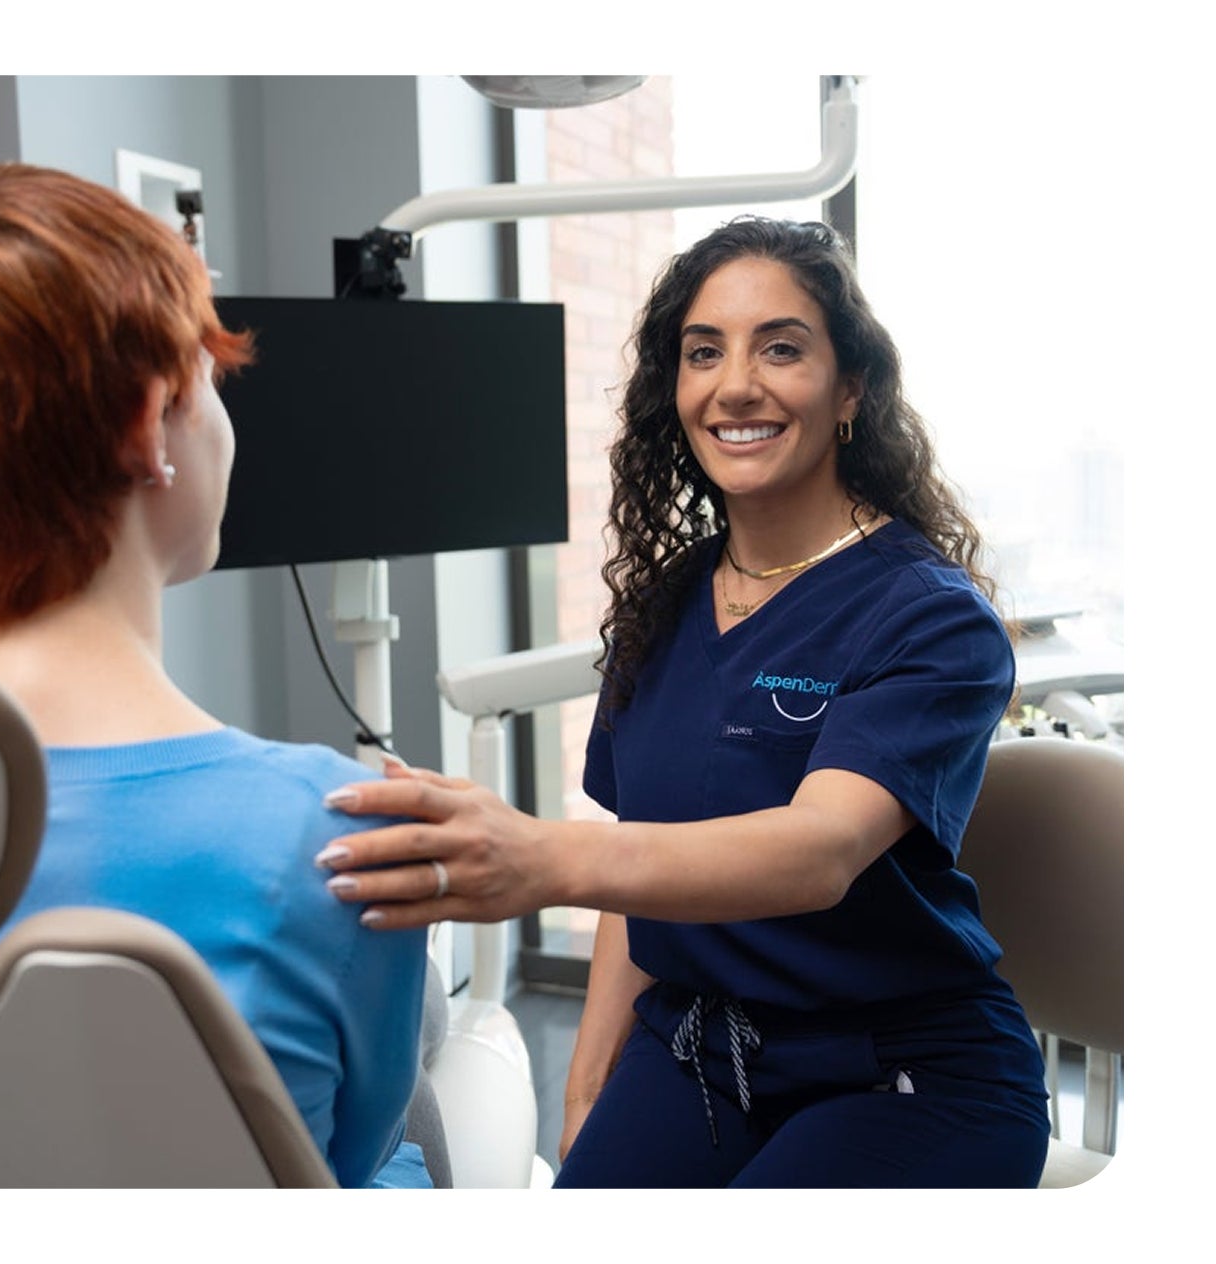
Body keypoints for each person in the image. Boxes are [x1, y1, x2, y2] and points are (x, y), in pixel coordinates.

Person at [315, 216, 1052, 1187]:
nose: (735, 384)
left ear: (851, 390)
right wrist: (585, 1090)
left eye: (780, 348)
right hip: (701, 1050)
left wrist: (542, 856)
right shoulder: (666, 604)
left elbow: (818, 852)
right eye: (704, 352)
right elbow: (639, 854)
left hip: (903, 1069)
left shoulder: (927, 617)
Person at [0, 162, 435, 1189]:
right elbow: (343, 1167)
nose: (225, 419)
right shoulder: (335, 831)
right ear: (147, 426)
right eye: (210, 381)